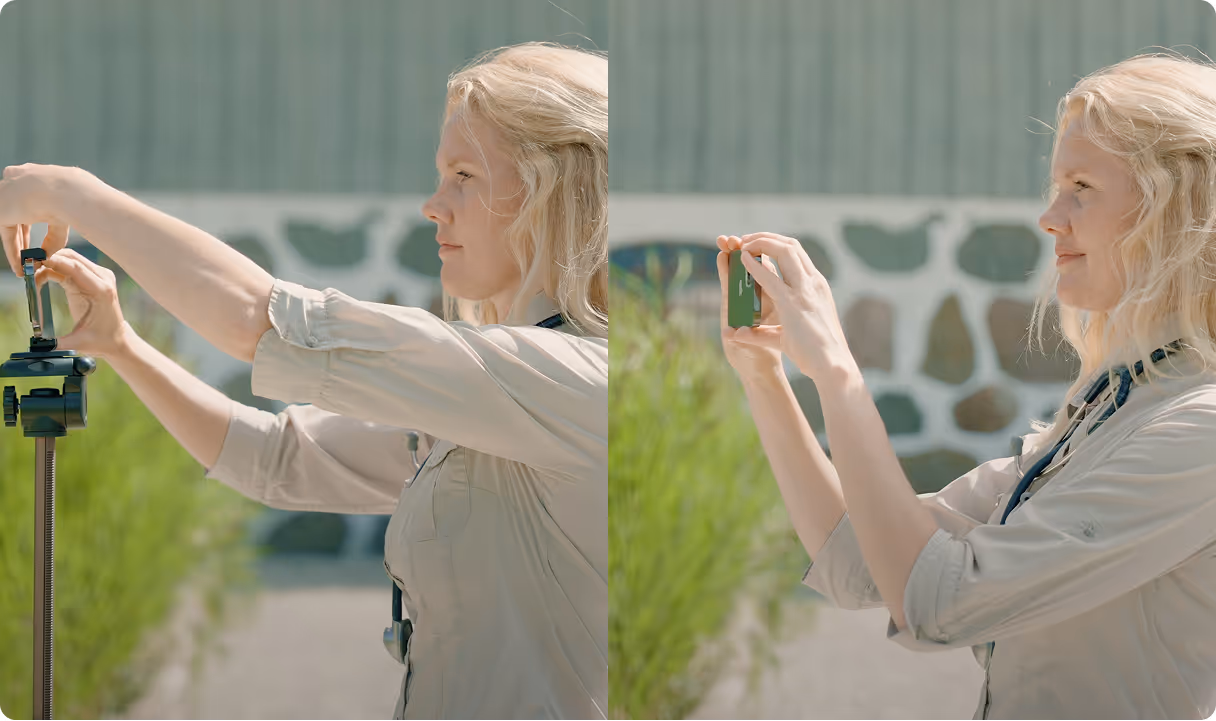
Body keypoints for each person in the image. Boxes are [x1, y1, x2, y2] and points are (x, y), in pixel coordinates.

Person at [0, 42, 607, 720]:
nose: (434, 205)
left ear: (555, 190)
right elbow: (276, 459)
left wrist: (71, 195)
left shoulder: (574, 382)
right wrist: (121, 345)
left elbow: (262, 321)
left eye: (464, 174)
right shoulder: (494, 395)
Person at [717, 53, 1216, 720]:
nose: (1050, 216)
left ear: (1178, 208)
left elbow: (938, 603)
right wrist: (762, 371)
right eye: (1056, 186)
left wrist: (836, 371)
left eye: (1081, 186)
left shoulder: (1197, 430)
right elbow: (859, 561)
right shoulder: (1112, 403)